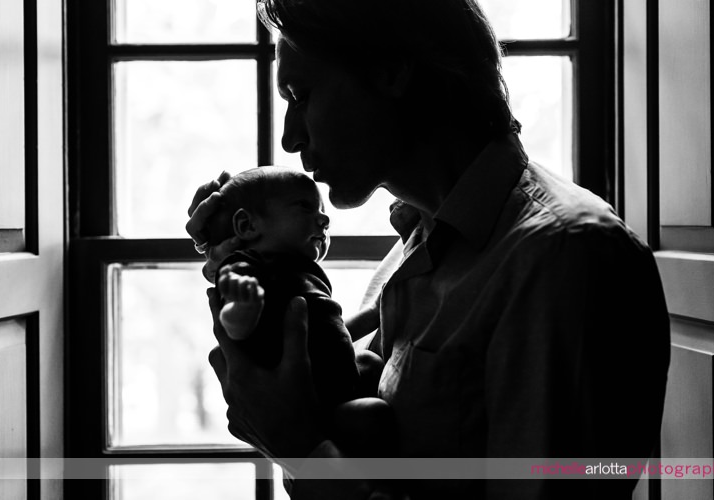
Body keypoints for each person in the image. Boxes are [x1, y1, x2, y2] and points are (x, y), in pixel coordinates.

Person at [186, 0, 670, 498]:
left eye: (301, 94)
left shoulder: (566, 260)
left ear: (392, 70)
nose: (289, 138)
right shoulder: (414, 247)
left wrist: (302, 450)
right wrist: (250, 255)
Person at [200, 166, 393, 460]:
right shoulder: (249, 267)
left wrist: (372, 313)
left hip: (332, 382)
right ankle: (380, 484)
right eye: (305, 206)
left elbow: (326, 334)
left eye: (323, 214)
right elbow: (233, 329)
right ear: (248, 226)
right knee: (374, 415)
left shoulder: (303, 273)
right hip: (307, 401)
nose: (325, 220)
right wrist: (242, 309)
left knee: (368, 360)